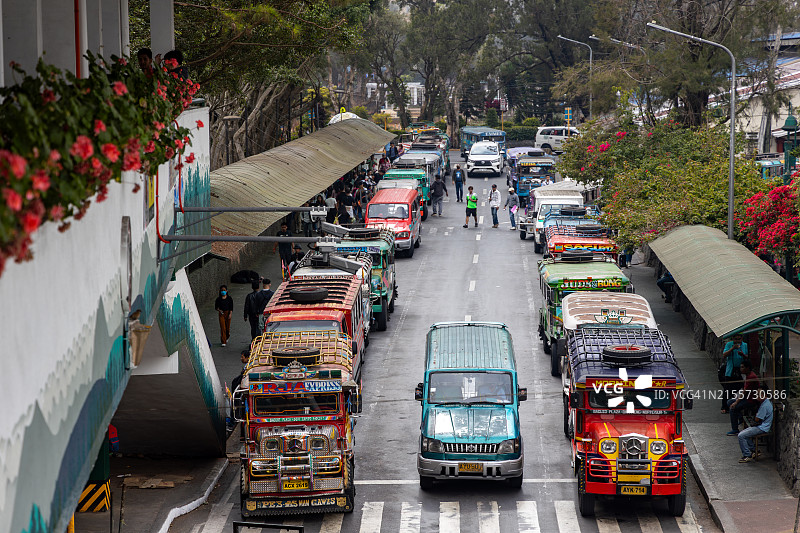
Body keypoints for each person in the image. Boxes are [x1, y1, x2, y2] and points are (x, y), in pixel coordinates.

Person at [738, 387, 773, 462]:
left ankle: (747, 455)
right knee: (744, 434)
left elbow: (757, 419)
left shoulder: (764, 406)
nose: (757, 396)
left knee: (741, 436)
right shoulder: (765, 402)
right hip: (762, 425)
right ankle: (754, 450)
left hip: (762, 428)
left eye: (759, 395)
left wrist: (757, 414)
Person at [726, 359, 761, 435]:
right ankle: (740, 417)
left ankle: (735, 429)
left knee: (732, 408)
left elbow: (745, 392)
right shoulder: (748, 376)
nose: (740, 369)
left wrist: (736, 402)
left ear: (747, 368)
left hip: (751, 400)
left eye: (742, 367)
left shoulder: (751, 377)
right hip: (747, 398)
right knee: (729, 402)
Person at [720, 334, 749, 413]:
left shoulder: (745, 345)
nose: (737, 341)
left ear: (742, 338)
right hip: (731, 370)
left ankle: (737, 405)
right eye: (735, 339)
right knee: (727, 389)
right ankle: (724, 407)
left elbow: (747, 357)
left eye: (739, 339)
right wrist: (732, 348)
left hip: (741, 370)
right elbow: (724, 355)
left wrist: (742, 354)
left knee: (741, 388)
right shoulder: (729, 344)